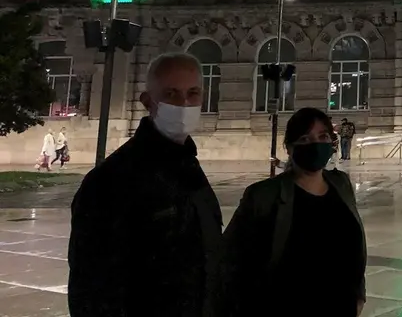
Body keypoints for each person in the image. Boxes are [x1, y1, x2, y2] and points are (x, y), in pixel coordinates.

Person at [68, 53, 223, 317]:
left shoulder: (189, 167)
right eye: (171, 94)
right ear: (148, 102)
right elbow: (92, 290)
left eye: (193, 93)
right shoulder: (112, 179)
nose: (184, 104)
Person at [216, 107, 366, 317]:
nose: (315, 144)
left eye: (322, 136)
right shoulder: (263, 196)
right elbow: (230, 262)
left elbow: (354, 248)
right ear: (289, 147)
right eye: (305, 138)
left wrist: (359, 295)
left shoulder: (341, 184)